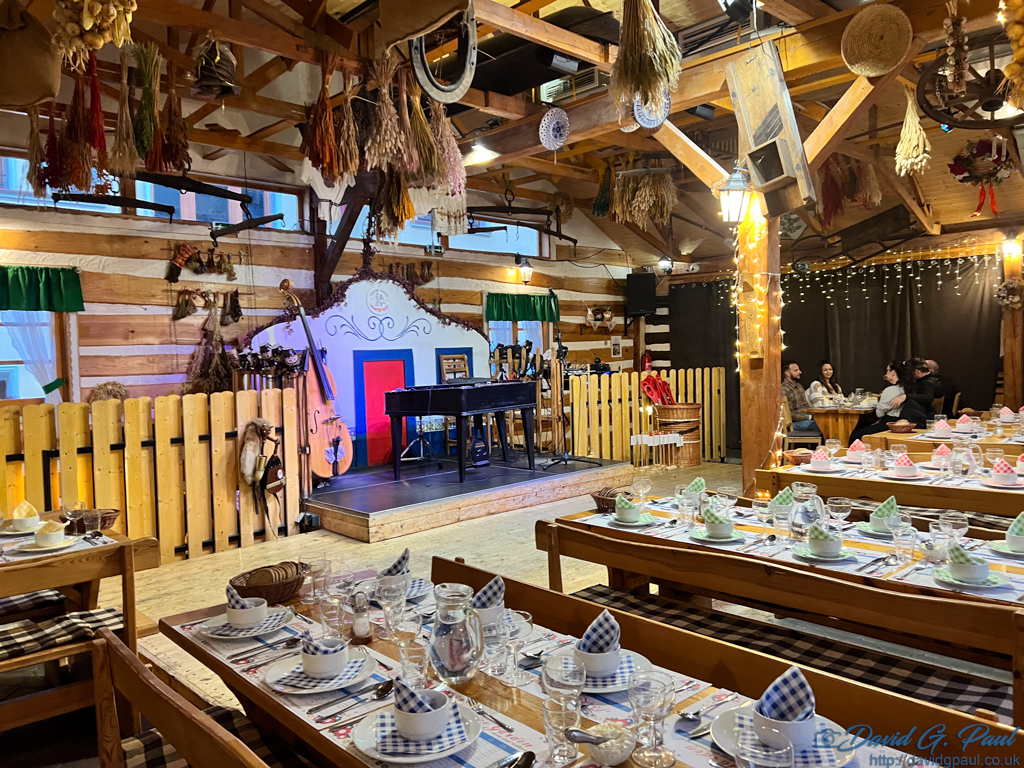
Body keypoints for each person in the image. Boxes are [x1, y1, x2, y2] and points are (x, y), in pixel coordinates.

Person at [848, 360, 926, 443]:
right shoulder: (911, 388)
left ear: (893, 372)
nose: (886, 373)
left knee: (856, 436)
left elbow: (879, 413)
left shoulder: (891, 390)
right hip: (906, 423)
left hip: (891, 424)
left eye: (888, 370)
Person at [782, 360, 820, 434]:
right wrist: (809, 417)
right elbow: (788, 414)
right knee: (822, 425)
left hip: (806, 420)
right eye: (796, 370)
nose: (800, 372)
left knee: (826, 422)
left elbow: (806, 406)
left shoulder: (799, 386)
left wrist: (816, 415)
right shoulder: (783, 389)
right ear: (787, 373)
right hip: (794, 424)